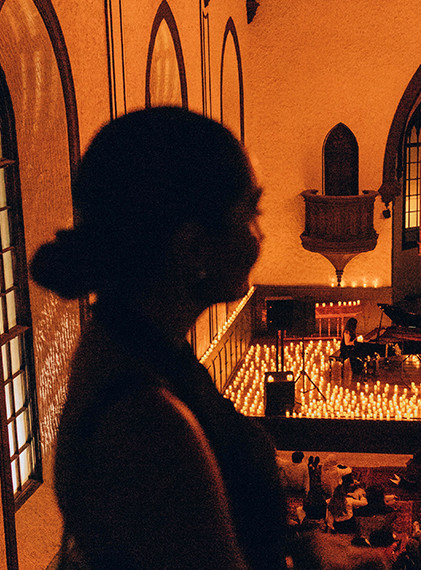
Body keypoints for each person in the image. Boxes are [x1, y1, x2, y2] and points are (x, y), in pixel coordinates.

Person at [33, 108, 285, 567]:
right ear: (193, 248)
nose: (260, 235)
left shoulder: (135, 343)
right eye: (251, 213)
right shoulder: (147, 422)